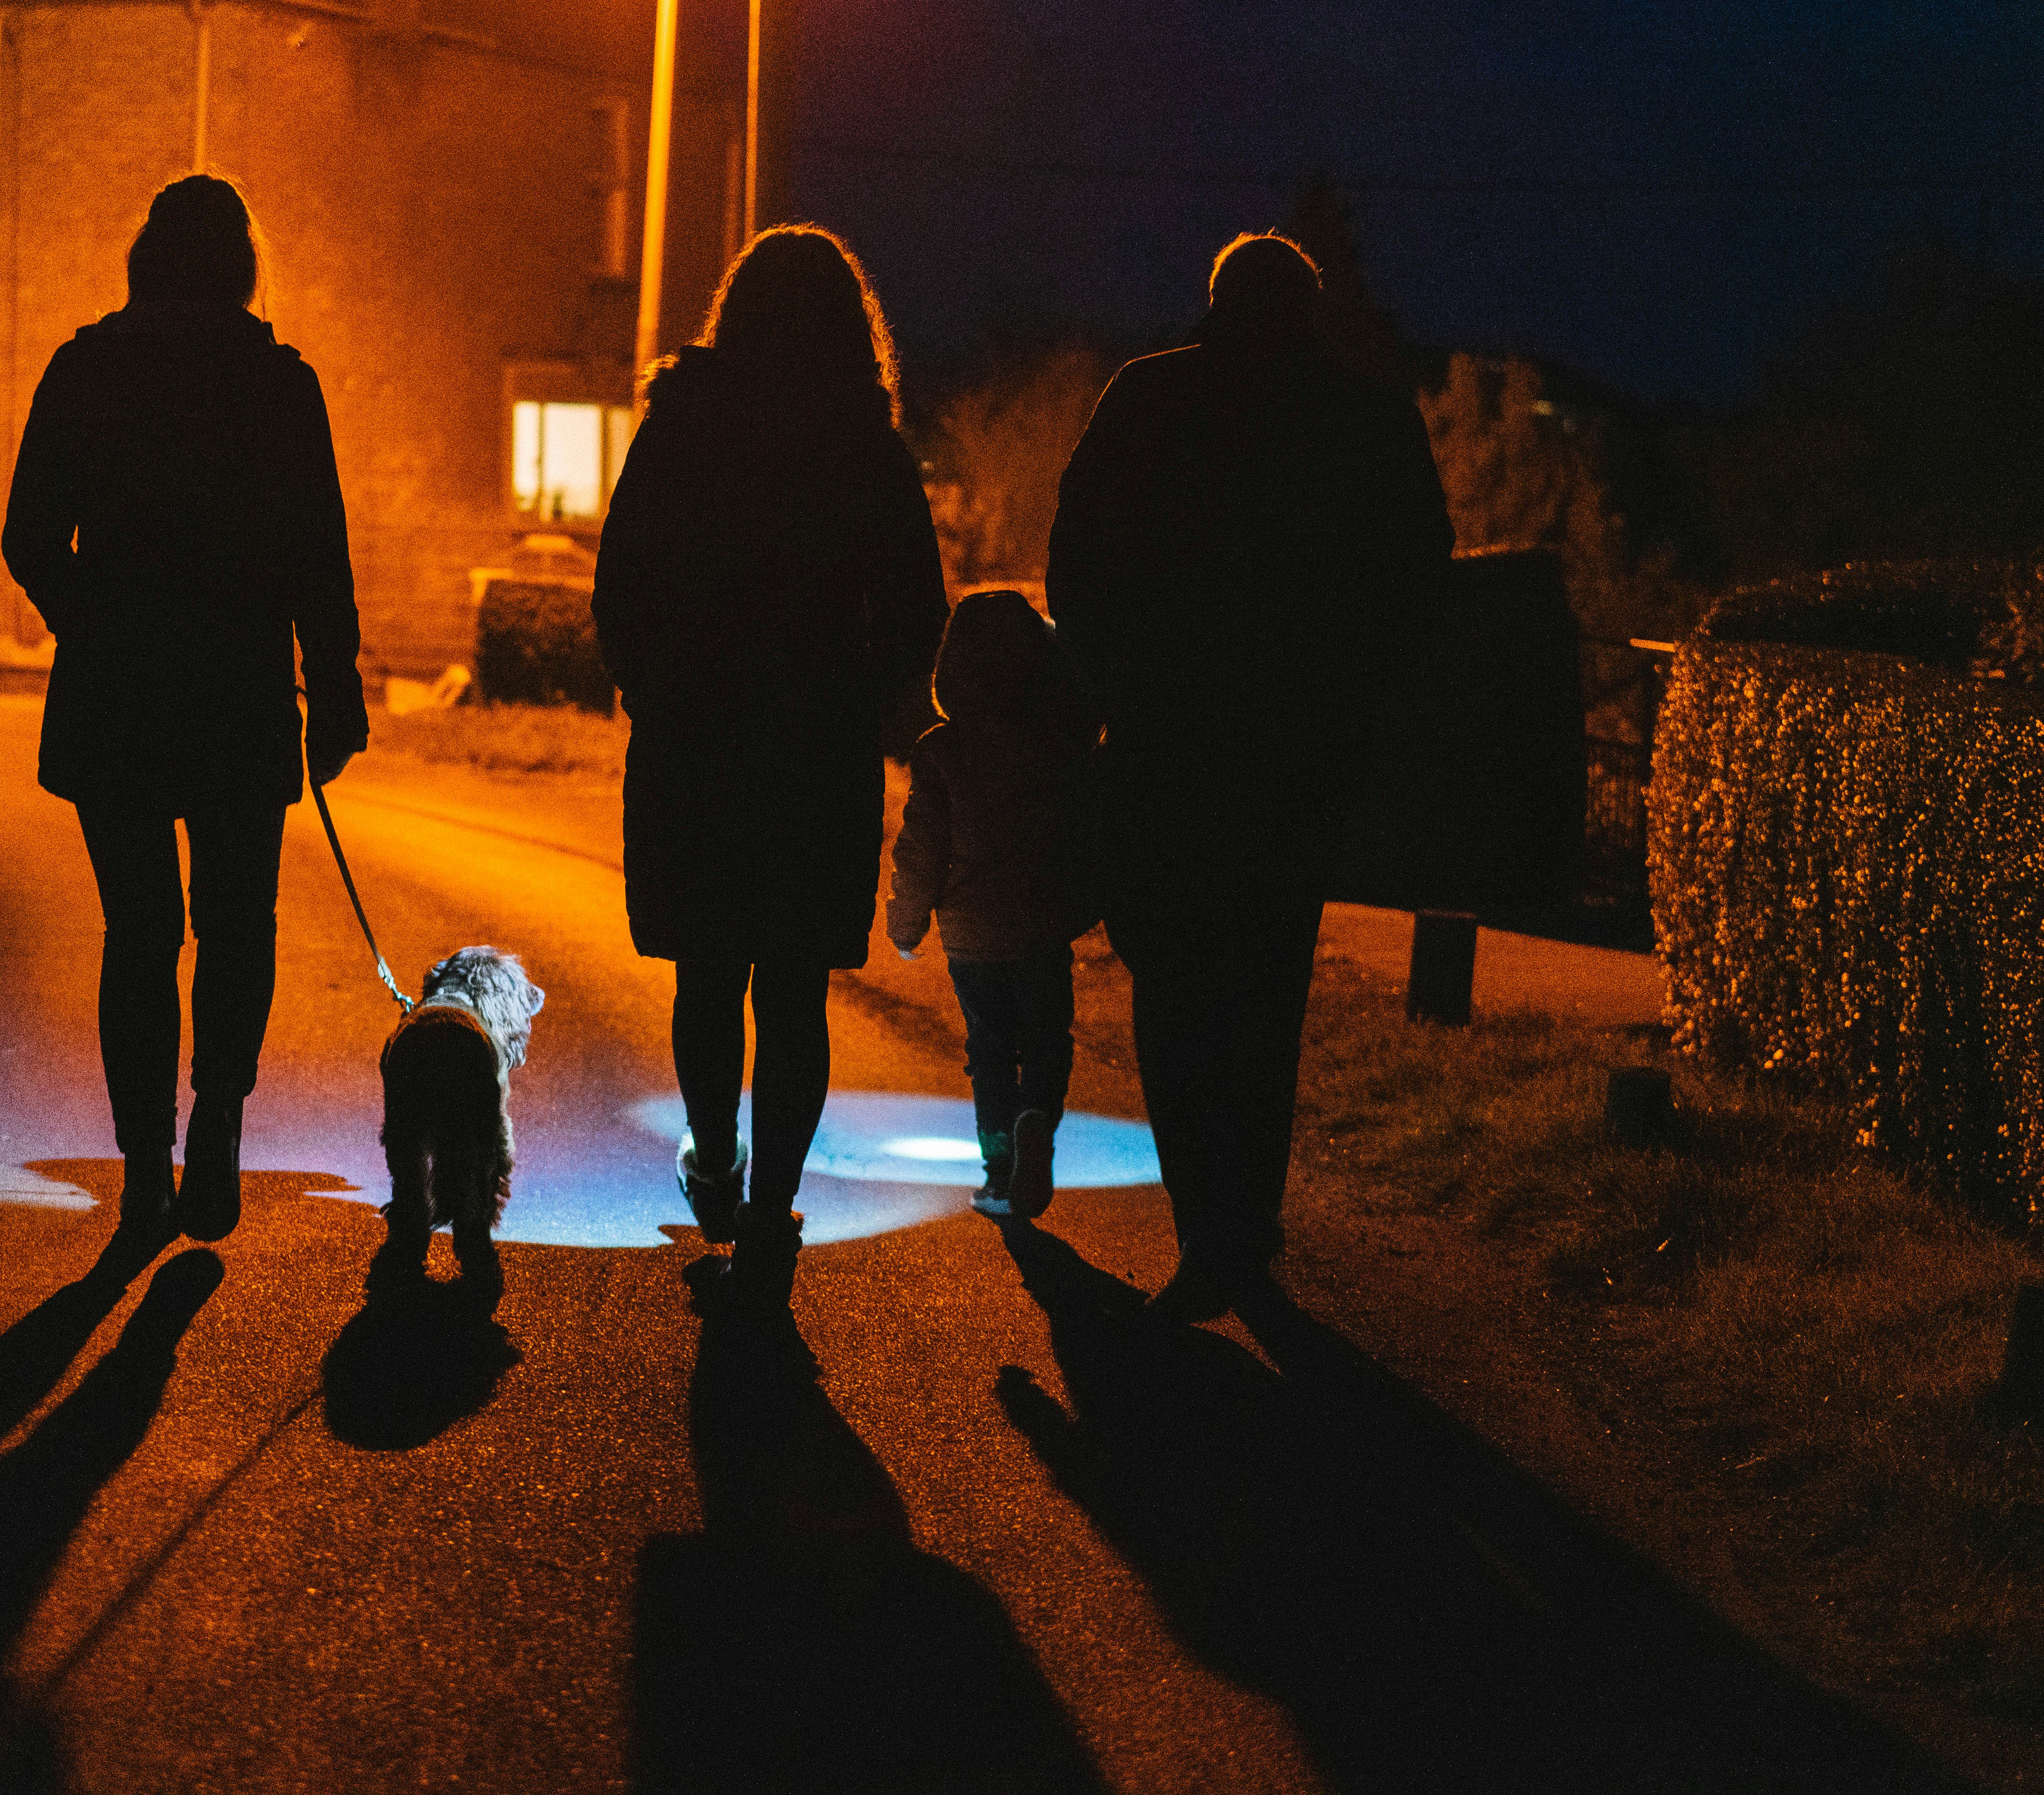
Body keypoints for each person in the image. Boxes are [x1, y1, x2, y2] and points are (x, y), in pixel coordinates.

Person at [1047, 232, 1452, 1319]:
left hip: (1166, 745)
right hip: (1297, 757)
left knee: (1173, 986)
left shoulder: (1148, 397)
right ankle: (1246, 1219)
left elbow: (1075, 557)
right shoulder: (1364, 417)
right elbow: (1419, 578)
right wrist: (1358, 704)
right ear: (1307, 310)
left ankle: (1205, 1224)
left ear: (1215, 301)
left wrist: (1111, 686)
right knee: (1267, 990)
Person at [0, 174, 366, 1242]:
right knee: (236, 925)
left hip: (115, 692)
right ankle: (218, 1126)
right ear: (241, 267)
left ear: (146, 259)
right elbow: (319, 558)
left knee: (140, 930)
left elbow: (28, 537)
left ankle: (144, 1165)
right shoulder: (280, 385)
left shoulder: (83, 370)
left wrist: (91, 620)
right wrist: (333, 692)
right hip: (239, 692)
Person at [591, 226, 950, 1309]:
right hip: (815, 746)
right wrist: (870, 706)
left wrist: (651, 684)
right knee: (795, 990)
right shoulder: (864, 442)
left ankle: (713, 1161)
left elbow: (620, 576)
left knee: (707, 971)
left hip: (696, 735)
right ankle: (771, 1208)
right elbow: (918, 608)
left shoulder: (680, 424)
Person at [884, 588, 1102, 1221]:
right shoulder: (1061, 746)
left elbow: (922, 847)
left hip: (972, 935)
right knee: (1048, 1037)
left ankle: (999, 1169)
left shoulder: (941, 752)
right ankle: (1038, 1118)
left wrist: (906, 923)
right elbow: (1084, 833)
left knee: (989, 1053)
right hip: (1042, 925)